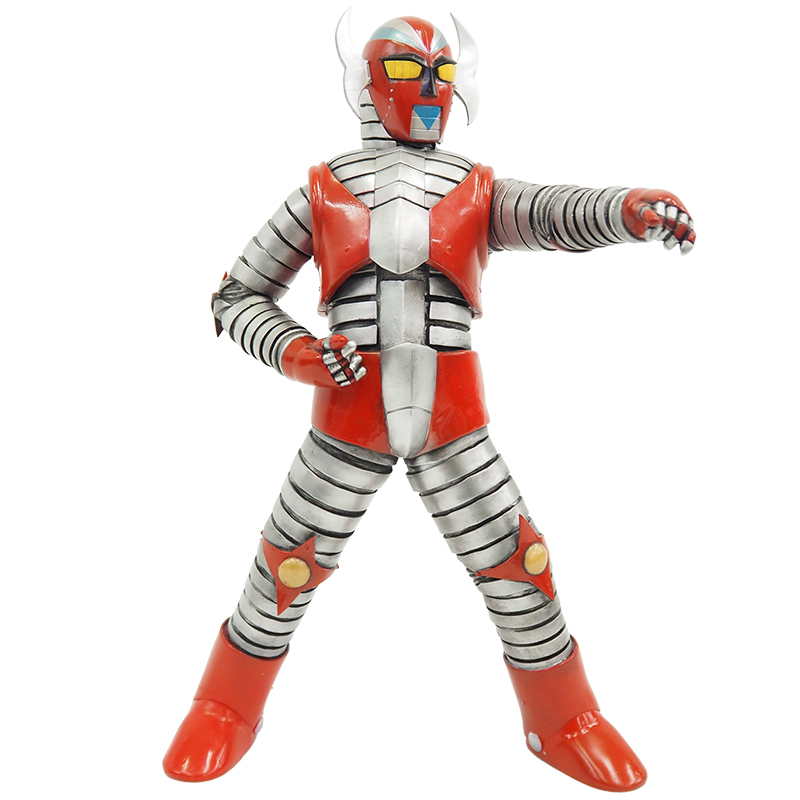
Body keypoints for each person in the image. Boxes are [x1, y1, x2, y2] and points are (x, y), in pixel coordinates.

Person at [163, 13, 695, 791]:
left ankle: (563, 720)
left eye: (441, 73)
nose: (430, 90)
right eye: (409, 71)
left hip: (455, 422)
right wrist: (298, 353)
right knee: (285, 568)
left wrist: (625, 209)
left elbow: (554, 211)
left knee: (520, 565)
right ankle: (225, 706)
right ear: (367, 84)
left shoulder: (476, 187)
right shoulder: (321, 188)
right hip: (347, 418)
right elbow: (237, 295)